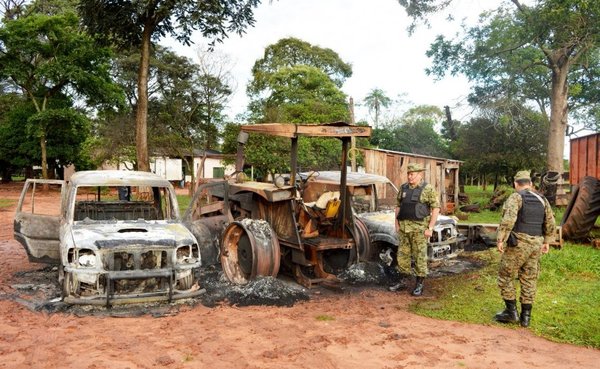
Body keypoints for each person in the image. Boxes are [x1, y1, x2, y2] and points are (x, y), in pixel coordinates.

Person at [494, 170, 556, 327]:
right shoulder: (542, 199)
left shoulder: (516, 197)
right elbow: (550, 221)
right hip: (536, 244)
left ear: (516, 184)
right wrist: (547, 241)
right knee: (529, 278)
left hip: (519, 243)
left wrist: (501, 238)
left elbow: (509, 219)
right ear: (530, 184)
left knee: (505, 275)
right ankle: (525, 317)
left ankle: (511, 312)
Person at [389, 162, 440, 296]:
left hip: (419, 230)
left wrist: (430, 227)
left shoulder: (427, 189)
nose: (410, 177)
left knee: (419, 257)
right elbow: (398, 206)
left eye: (412, 174)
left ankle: (419, 284)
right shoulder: (403, 188)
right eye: (408, 174)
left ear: (419, 174)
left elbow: (435, 208)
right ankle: (403, 281)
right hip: (404, 229)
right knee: (402, 256)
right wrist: (396, 223)